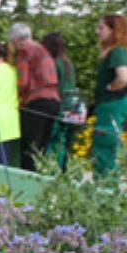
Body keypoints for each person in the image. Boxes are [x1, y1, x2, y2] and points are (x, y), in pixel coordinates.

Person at [8, 23, 59, 172]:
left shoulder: (24, 51)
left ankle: (27, 180)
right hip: (54, 101)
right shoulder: (43, 50)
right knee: (41, 148)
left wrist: (16, 95)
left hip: (37, 101)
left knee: (29, 147)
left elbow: (23, 82)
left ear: (15, 40)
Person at [91, 13, 127, 177]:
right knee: (106, 146)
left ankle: (105, 190)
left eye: (101, 28)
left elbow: (123, 77)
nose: (98, 31)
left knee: (105, 146)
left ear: (114, 30)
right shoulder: (116, 51)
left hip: (112, 104)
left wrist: (110, 87)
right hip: (110, 104)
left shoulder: (117, 51)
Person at [42, 32, 80, 170]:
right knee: (64, 141)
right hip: (72, 107)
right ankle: (62, 169)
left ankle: (52, 170)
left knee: (53, 141)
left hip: (60, 106)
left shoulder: (54, 63)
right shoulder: (68, 63)